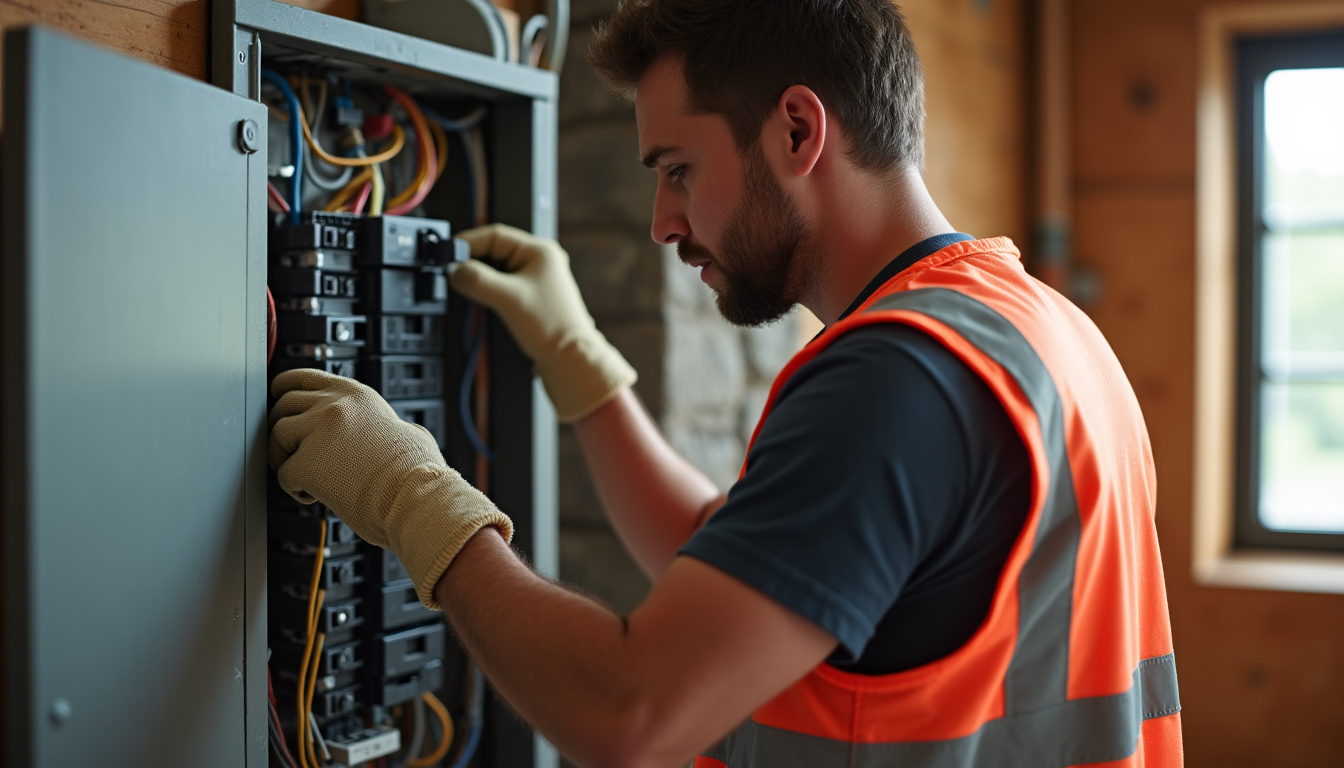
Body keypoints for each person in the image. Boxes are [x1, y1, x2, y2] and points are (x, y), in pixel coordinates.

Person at [268, 1, 1183, 766]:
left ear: (797, 129)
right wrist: (580, 360)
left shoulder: (899, 377)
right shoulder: (1037, 329)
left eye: (678, 170)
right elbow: (734, 563)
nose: (664, 223)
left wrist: (409, 498)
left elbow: (629, 712)